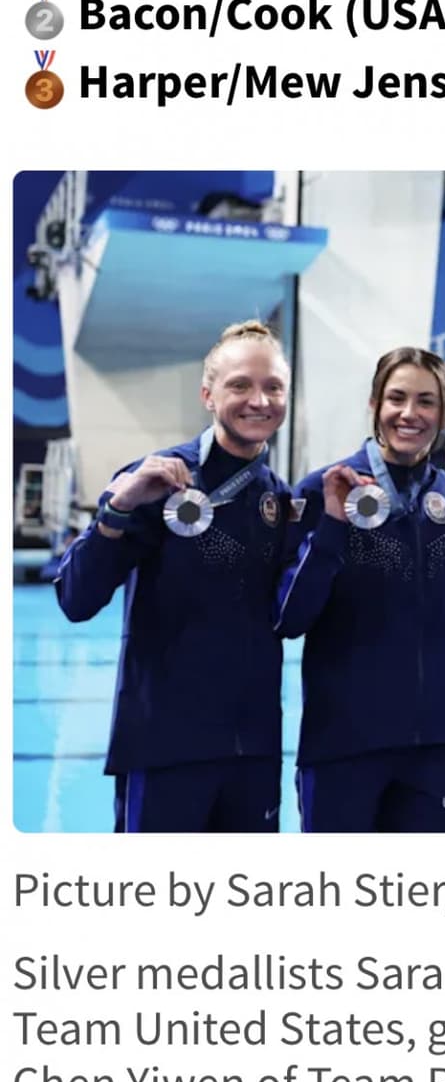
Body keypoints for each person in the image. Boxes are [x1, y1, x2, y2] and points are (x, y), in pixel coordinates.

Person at [55, 320, 293, 831]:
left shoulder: (280, 499)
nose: (259, 400)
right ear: (208, 395)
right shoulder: (155, 478)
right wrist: (118, 507)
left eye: (273, 386)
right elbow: (76, 599)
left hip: (252, 749)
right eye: (240, 385)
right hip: (164, 744)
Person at [276, 347, 445, 832]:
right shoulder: (323, 489)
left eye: (426, 402)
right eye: (396, 398)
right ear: (374, 403)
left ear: (444, 414)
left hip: (434, 746)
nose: (410, 413)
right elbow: (289, 617)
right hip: (343, 742)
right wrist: (334, 525)